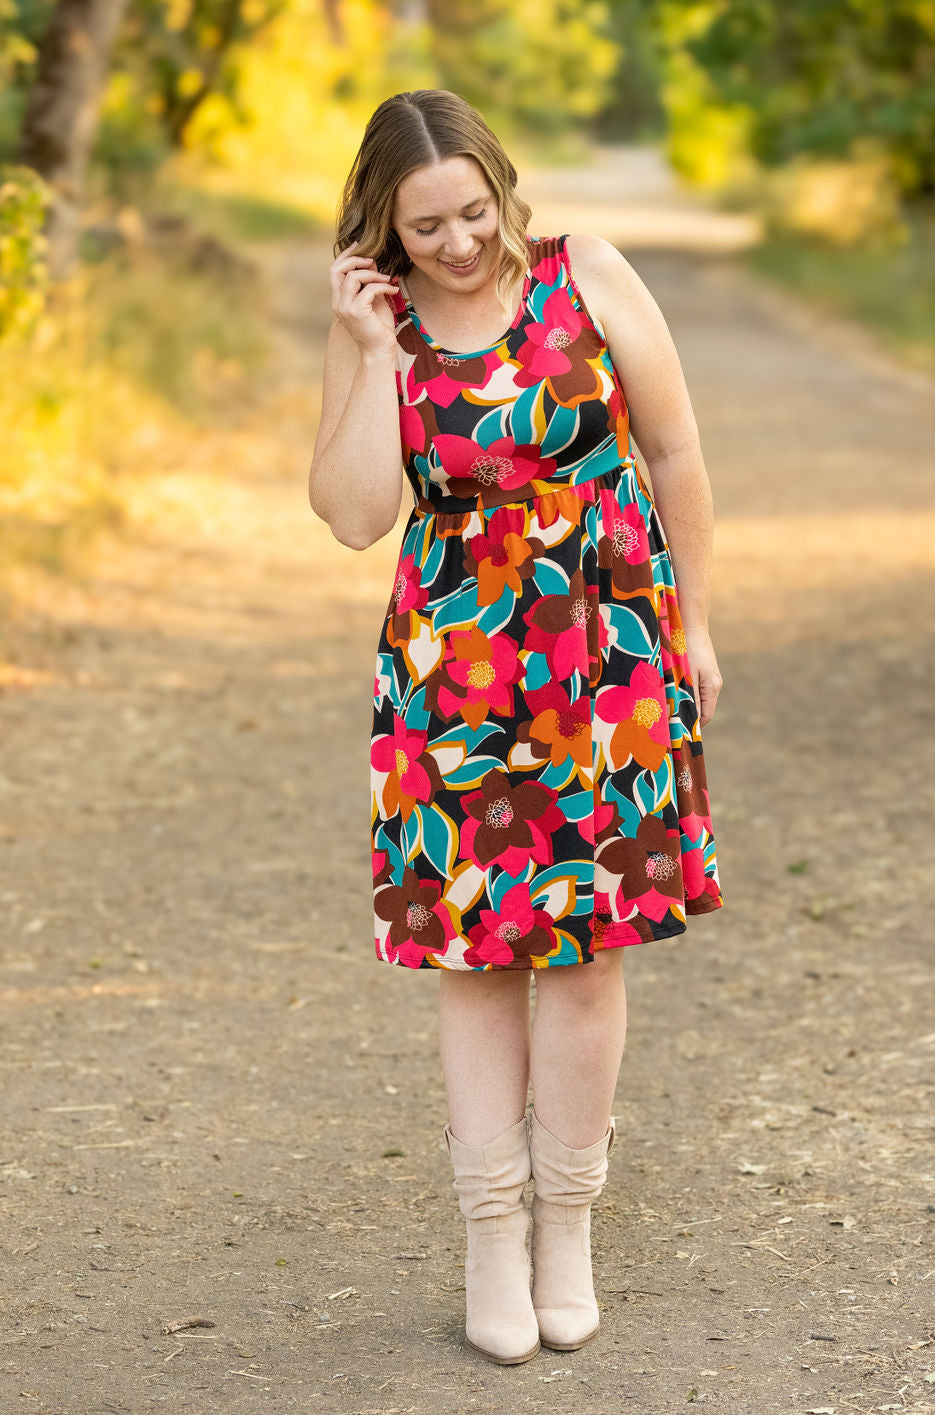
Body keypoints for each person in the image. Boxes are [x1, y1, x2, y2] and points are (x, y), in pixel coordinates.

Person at [309, 89, 724, 1366]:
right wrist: (373, 356)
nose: (457, 242)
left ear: (500, 184)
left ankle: (566, 1227)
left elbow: (673, 448)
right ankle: (489, 1228)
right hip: (457, 674)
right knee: (477, 955)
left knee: (590, 947)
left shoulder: (583, 274)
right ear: (384, 224)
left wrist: (696, 627)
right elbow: (352, 514)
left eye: (472, 211)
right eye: (425, 224)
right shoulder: (377, 322)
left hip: (607, 653)